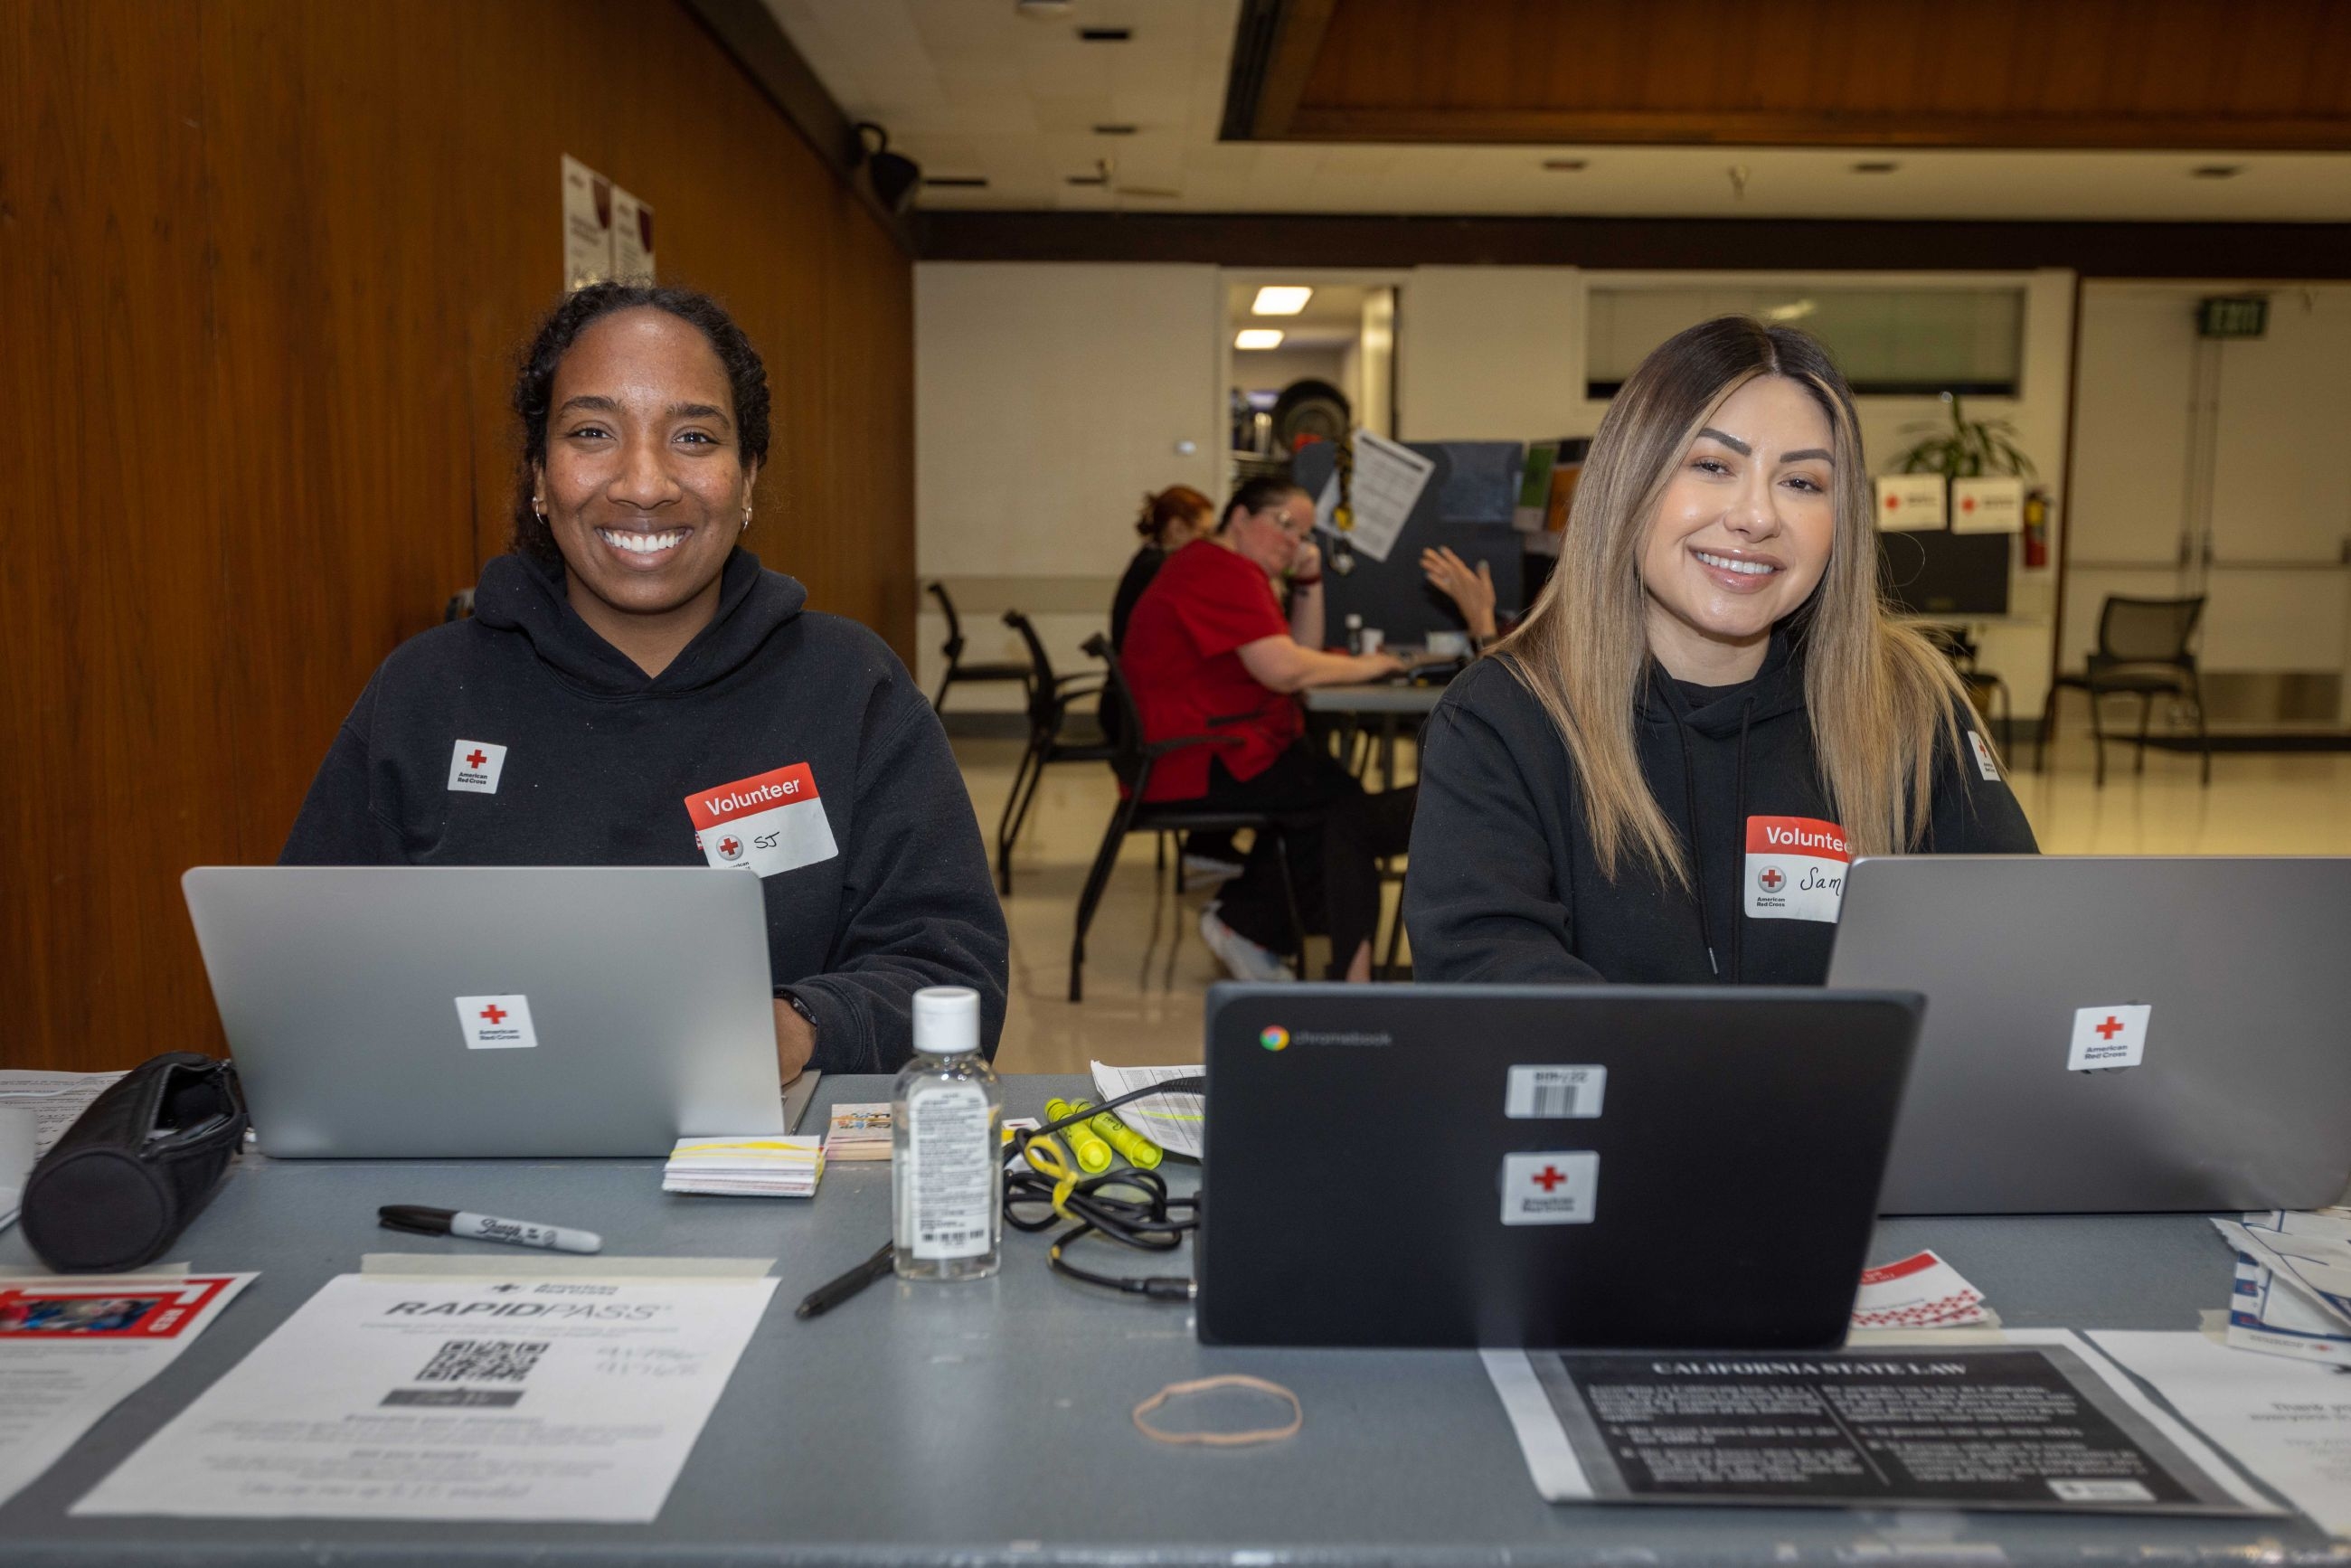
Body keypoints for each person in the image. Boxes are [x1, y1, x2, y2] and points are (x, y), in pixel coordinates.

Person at [281, 283, 1008, 1076]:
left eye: (694, 436)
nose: (643, 481)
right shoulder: (426, 693)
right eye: (592, 431)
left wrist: (798, 1028)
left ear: (749, 477)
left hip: (781, 1172)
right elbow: (300, 979)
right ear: (537, 474)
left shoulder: (851, 688)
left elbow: (952, 972)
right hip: (473, 1150)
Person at [1406, 316, 2035, 985]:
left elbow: (2014, 950)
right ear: (1630, 484)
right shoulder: (1505, 717)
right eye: (1712, 465)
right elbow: (1488, 976)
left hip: (1851, 1092)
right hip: (1622, 1091)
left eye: (1802, 483)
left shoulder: (1909, 702)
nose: (1757, 516)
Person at [1121, 477, 1415, 983]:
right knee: (1338, 806)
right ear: (1239, 518)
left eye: (1304, 534)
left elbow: (1301, 648)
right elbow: (1287, 671)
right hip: (1193, 758)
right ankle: (1251, 927)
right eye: (1285, 526)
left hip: (1212, 745)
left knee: (1329, 794)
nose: (1294, 543)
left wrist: (1309, 582)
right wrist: (1373, 666)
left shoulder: (1226, 567)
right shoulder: (1219, 570)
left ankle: (1253, 924)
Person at [1111, 486, 1215, 651]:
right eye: (1203, 532)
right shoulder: (1157, 568)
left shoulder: (1149, 558)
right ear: (1176, 528)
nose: (1208, 541)